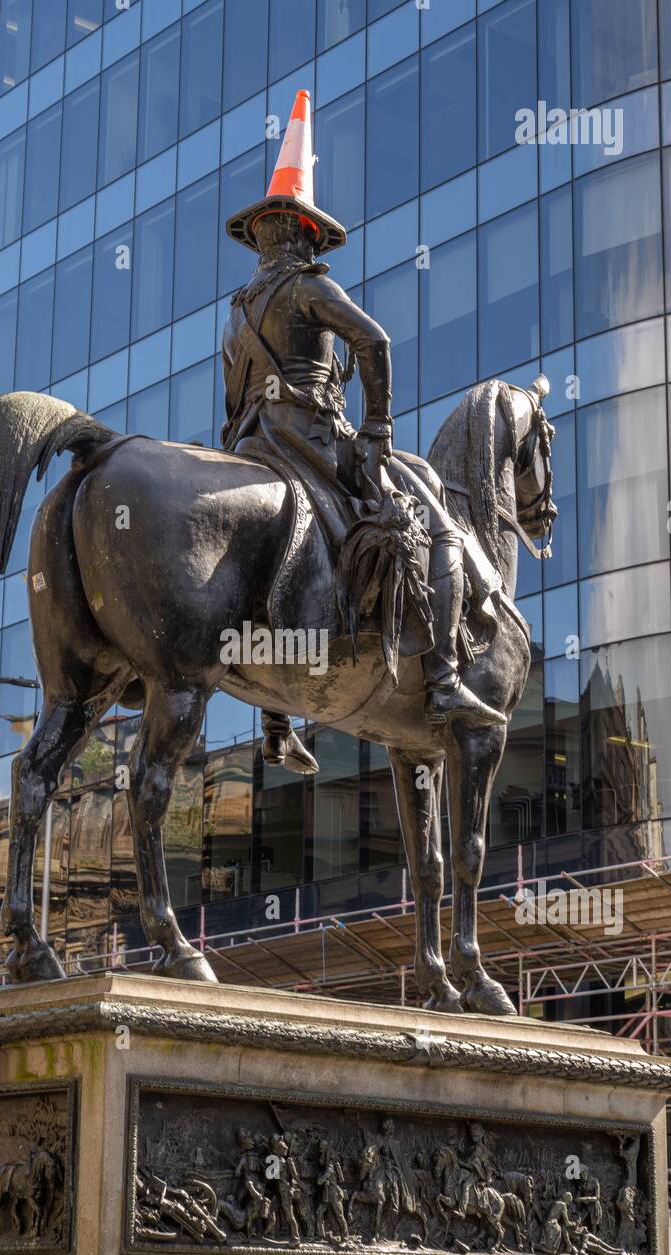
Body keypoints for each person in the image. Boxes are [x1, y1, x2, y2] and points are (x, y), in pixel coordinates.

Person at [222, 90, 506, 771]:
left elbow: (234, 400)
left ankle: (274, 724)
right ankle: (440, 682)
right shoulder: (309, 288)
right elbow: (374, 343)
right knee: (434, 519)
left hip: (254, 443)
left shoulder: (238, 309)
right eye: (301, 234)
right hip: (317, 441)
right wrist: (376, 426)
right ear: (305, 235)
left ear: (264, 234)